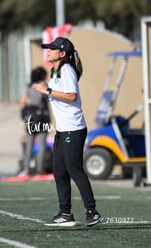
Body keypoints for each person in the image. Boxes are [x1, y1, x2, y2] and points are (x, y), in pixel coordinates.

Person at [33, 37, 103, 227]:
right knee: (59, 171)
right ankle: (65, 213)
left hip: (74, 128)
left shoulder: (67, 70)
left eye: (52, 49)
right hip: (63, 130)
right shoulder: (55, 70)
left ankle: (92, 211)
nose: (48, 51)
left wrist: (46, 90)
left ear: (62, 54)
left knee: (75, 169)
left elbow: (72, 96)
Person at [18, 67, 50, 176]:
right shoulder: (44, 86)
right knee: (41, 144)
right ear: (42, 75)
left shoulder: (28, 86)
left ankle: (26, 169)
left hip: (31, 118)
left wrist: (24, 116)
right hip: (43, 118)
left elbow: (22, 102)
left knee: (29, 144)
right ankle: (40, 169)